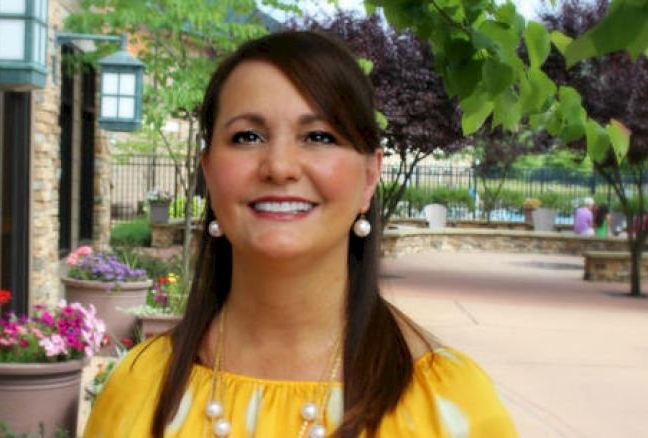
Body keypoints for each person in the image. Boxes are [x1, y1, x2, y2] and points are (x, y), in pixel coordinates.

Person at [84, 31, 516, 438]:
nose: (280, 166)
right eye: (247, 136)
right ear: (209, 173)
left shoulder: (448, 407)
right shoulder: (139, 390)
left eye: (318, 136)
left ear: (369, 176)